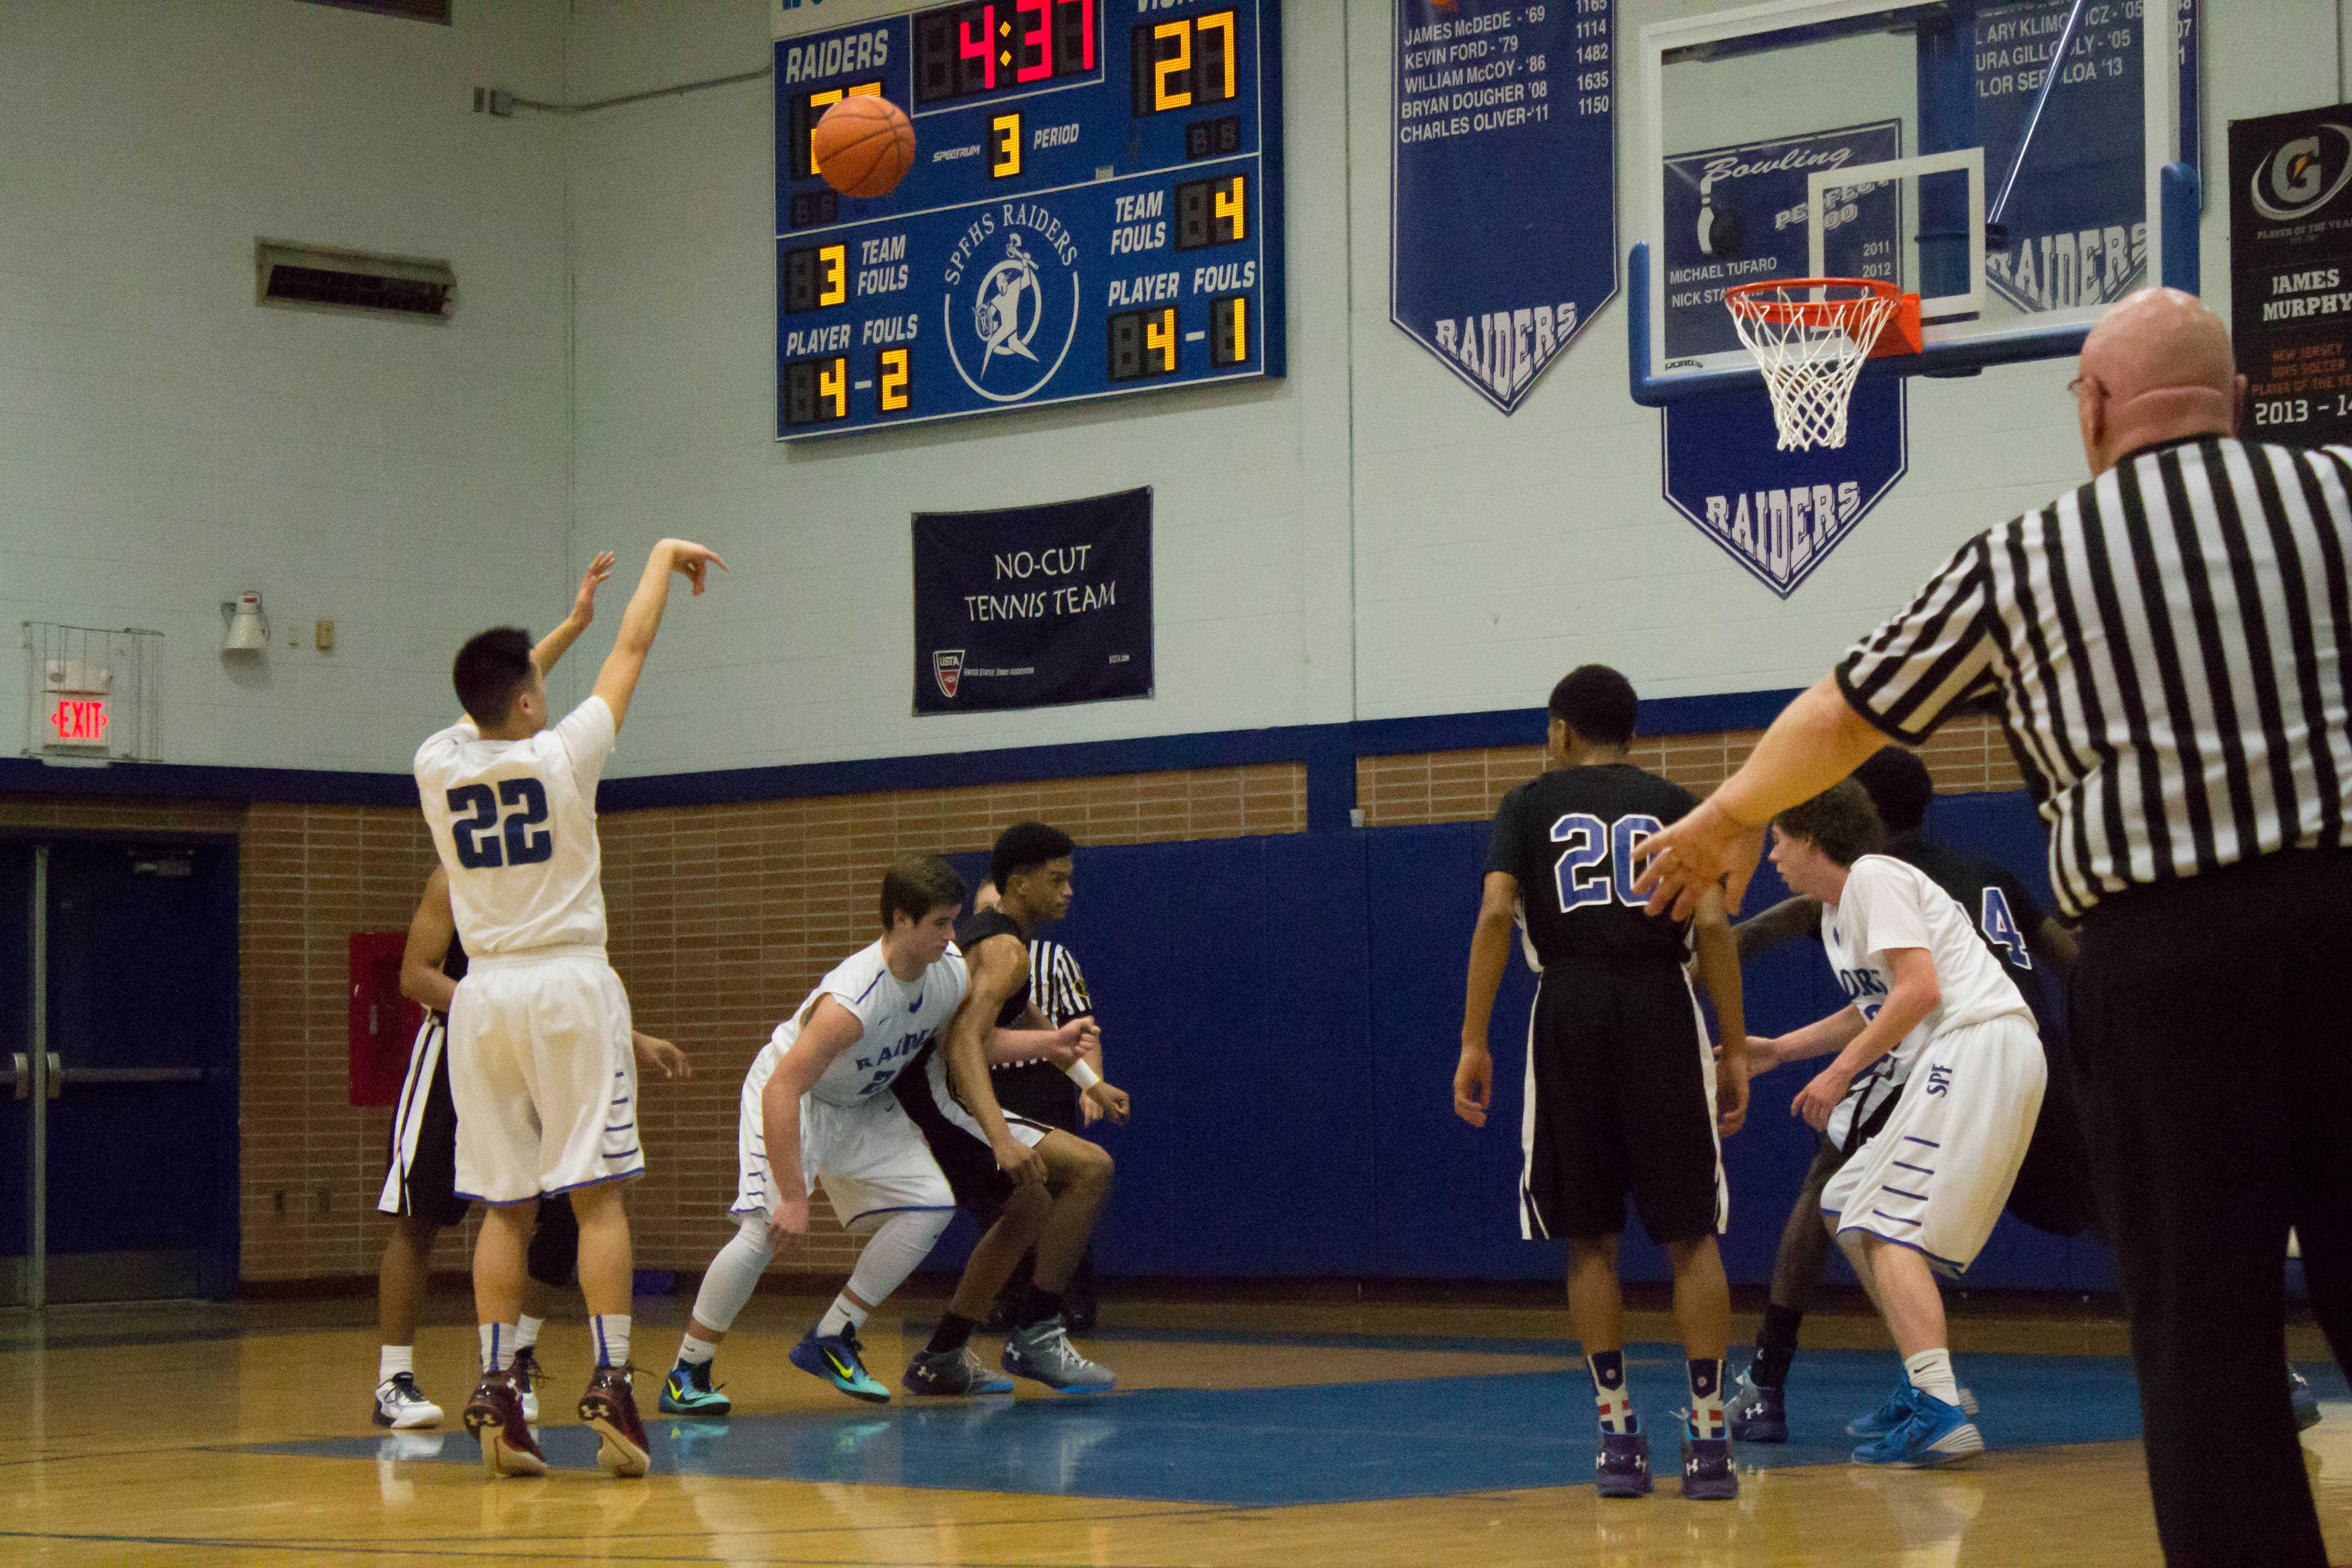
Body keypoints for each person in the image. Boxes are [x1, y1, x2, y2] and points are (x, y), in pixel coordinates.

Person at [1631, 288, 2352, 1565]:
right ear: (2237, 399)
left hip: (2169, 962)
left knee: (2203, 1337)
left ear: (2092, 407)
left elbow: (1850, 706)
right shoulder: (2335, 488)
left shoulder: (2026, 553)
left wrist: (1730, 813)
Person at [414, 536, 725, 1478]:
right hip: (567, 984)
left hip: (485, 996)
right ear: (526, 701)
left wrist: (559, 632)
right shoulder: (563, 754)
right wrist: (656, 564)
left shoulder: (436, 761)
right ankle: (613, 1378)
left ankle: (498, 1387)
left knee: (502, 1206)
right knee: (597, 1197)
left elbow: (492, 701)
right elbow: (630, 655)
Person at [1722, 747, 2082, 1442]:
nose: (1773, 859)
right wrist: (1780, 1050)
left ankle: (1942, 1409)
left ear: (1815, 837)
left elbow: (1920, 992)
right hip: (1973, 1049)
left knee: (1885, 1223)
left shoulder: (1876, 877)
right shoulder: (1841, 911)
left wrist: (1838, 1073)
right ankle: (1926, 1382)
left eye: (1780, 841)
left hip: (1978, 1043)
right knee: (1842, 1202)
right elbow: (1876, 1004)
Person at [1452, 665, 1750, 1502]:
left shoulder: (1524, 805)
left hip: (1570, 1007)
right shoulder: (1680, 803)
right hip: (1663, 1004)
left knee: (1589, 1235)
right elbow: (1718, 925)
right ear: (1633, 732)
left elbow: (1494, 917)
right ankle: (1709, 1434)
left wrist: (1474, 1040)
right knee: (1692, 1233)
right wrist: (1731, 1047)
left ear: (1560, 730)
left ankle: (1618, 1432)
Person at [656, 855, 1096, 1412]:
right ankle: (687, 1370)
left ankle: (832, 1336)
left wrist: (1048, 1044)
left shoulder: (947, 974)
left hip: (862, 1102)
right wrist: (794, 1194)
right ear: (900, 920)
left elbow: (971, 1045)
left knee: (930, 1204)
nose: (951, 936)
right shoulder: (853, 1001)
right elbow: (782, 1089)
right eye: (939, 924)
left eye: (953, 921)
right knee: (764, 1232)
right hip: (798, 1097)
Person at [373, 864, 687, 1429]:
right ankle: (393, 1379)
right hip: (457, 1046)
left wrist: (628, 1035)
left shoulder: (551, 878)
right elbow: (415, 976)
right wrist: (494, 1011)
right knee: (418, 1216)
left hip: (539, 1053)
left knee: (569, 1211)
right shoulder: (454, 876)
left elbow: (571, 984)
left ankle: (512, 1361)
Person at [894, 822, 1131, 1396]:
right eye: (1057, 880)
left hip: (932, 1090)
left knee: (1026, 1209)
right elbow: (962, 1045)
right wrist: (1001, 1136)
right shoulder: (1003, 950)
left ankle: (943, 1353)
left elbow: (1032, 1022)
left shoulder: (1004, 942)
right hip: (938, 1093)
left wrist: (1088, 1081)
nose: (1069, 891)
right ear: (1020, 885)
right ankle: (1038, 1332)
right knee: (1092, 1168)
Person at [970, 877, 1106, 1333]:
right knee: (1005, 1198)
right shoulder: (970, 962)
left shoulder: (1049, 959)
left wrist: (1092, 1084)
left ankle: (1067, 1299)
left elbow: (1074, 1027)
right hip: (986, 1082)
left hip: (1040, 1081)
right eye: (985, 915)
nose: (995, 926)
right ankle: (1007, 1299)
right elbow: (968, 1043)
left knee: (1066, 1183)